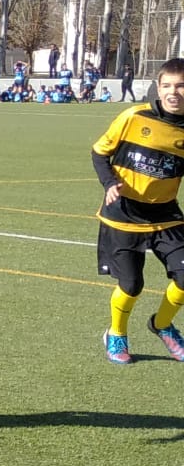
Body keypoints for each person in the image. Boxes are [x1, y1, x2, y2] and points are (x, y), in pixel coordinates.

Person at [90, 58, 184, 364]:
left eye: (181, 86)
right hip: (124, 215)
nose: (174, 92)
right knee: (131, 285)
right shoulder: (133, 116)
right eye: (167, 85)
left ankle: (162, 325)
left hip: (165, 215)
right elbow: (99, 152)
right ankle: (116, 333)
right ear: (158, 87)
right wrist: (109, 184)